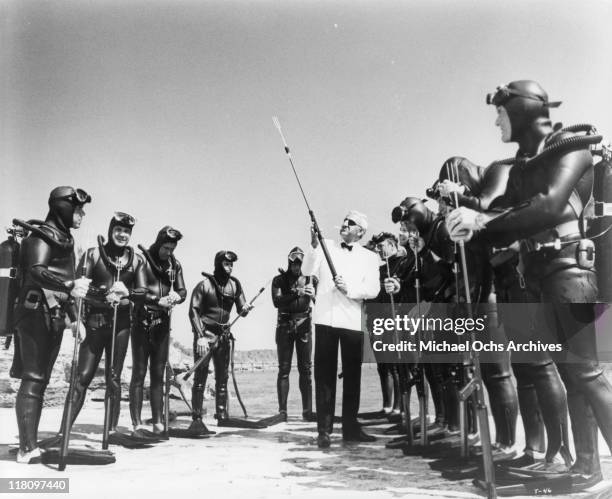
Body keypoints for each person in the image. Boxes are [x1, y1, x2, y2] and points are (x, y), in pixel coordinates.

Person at [447, 80, 612, 485]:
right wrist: (473, 224)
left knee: (587, 374)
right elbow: (506, 218)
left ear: (519, 111)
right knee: (572, 374)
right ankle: (587, 468)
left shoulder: (571, 147)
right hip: (542, 275)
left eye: (500, 115)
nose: (497, 124)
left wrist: (483, 220)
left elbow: (551, 204)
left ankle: (591, 466)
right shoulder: (522, 167)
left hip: (572, 271)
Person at [11, 186, 91, 463]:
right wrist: (69, 284)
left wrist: (74, 320)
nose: (81, 216)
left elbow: (62, 290)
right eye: (78, 210)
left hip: (53, 317)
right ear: (63, 208)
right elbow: (36, 271)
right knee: (33, 379)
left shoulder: (64, 241)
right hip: (34, 315)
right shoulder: (39, 238)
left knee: (40, 381)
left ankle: (30, 444)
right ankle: (26, 449)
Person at [62, 212, 148, 438]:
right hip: (94, 323)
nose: (122, 235)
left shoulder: (137, 260)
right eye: (119, 230)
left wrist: (128, 292)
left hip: (120, 326)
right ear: (111, 230)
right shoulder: (93, 255)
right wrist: (98, 299)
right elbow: (77, 289)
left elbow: (143, 293)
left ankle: (111, 430)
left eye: (127, 232)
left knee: (114, 377)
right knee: (82, 376)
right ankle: (64, 432)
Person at [301, 210, 380, 448]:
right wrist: (314, 246)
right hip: (325, 318)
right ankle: (323, 431)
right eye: (345, 220)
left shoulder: (369, 257)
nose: (345, 224)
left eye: (351, 223)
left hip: (352, 320)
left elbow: (373, 289)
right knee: (324, 376)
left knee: (352, 377)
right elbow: (307, 271)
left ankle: (350, 428)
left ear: (361, 232)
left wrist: (350, 289)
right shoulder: (326, 247)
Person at [130, 226, 187, 434]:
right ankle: (136, 423)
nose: (168, 252)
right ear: (158, 242)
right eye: (165, 248)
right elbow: (135, 290)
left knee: (158, 374)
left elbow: (183, 290)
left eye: (172, 249)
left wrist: (176, 297)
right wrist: (157, 300)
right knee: (139, 373)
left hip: (162, 324)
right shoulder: (142, 260)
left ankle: (157, 421)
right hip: (142, 320)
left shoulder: (174, 264)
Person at [188, 250, 253, 433]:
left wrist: (246, 308)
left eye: (231, 264)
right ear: (218, 264)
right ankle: (197, 417)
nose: (230, 267)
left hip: (224, 336)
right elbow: (193, 311)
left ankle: (222, 415)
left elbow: (242, 310)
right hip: (205, 336)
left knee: (222, 379)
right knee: (200, 378)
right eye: (226, 264)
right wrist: (200, 335)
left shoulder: (235, 285)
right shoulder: (204, 285)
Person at [271, 247, 317, 422]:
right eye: (294, 262)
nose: (297, 266)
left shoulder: (310, 279)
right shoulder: (279, 280)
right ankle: (282, 411)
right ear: (289, 262)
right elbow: (277, 301)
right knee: (284, 370)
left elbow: (320, 302)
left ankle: (308, 411)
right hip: (284, 325)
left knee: (306, 369)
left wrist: (314, 295)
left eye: (299, 262)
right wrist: (296, 292)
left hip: (304, 325)